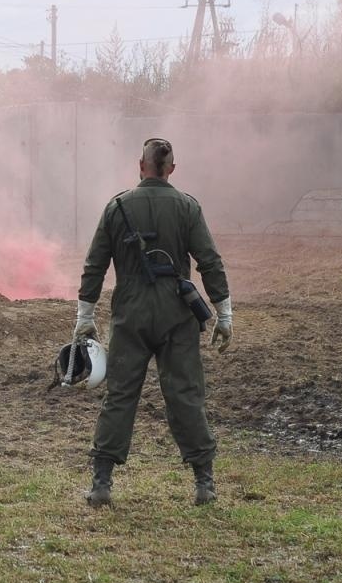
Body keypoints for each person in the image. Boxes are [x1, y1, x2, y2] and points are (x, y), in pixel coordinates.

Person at [74, 137, 232, 508]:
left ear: (140, 165)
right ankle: (203, 483)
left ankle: (102, 483)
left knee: (120, 395)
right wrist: (224, 313)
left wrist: (84, 317)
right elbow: (209, 261)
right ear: (171, 169)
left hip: (130, 314)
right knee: (186, 395)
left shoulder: (117, 207)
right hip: (178, 315)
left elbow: (94, 265)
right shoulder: (187, 207)